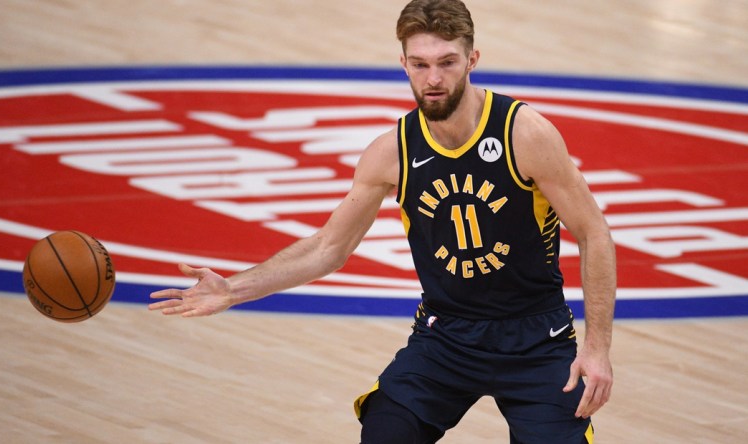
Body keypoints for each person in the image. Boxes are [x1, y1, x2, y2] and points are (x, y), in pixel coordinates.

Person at [149, 0, 616, 442]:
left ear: (472, 59)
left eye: (447, 63)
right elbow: (329, 248)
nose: (433, 78)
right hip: (445, 336)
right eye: (420, 64)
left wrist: (596, 349)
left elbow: (594, 232)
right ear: (404, 64)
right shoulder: (391, 152)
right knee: (385, 432)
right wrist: (234, 289)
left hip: (535, 339)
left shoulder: (524, 133)